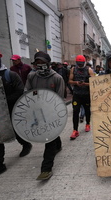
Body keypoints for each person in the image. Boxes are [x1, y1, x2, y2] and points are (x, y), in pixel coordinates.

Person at [0, 44, 32, 181]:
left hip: (10, 109)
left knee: (15, 130)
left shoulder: (9, 75)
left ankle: (25, 144)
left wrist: (2, 101)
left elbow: (19, 91)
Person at [24, 51, 64, 180]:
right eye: (37, 63)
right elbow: (27, 93)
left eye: (42, 62)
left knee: (49, 138)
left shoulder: (57, 78)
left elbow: (59, 98)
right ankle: (58, 145)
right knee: (53, 137)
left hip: (51, 113)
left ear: (48, 63)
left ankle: (46, 169)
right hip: (37, 113)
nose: (40, 65)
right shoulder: (31, 77)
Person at [68, 55, 94, 140]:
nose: (80, 65)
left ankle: (88, 124)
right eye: (78, 64)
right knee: (76, 111)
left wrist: (84, 84)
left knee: (87, 110)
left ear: (84, 62)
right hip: (76, 95)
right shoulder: (73, 69)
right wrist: (76, 82)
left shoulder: (89, 70)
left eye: (81, 64)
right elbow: (70, 81)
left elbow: (94, 82)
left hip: (86, 94)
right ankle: (75, 130)